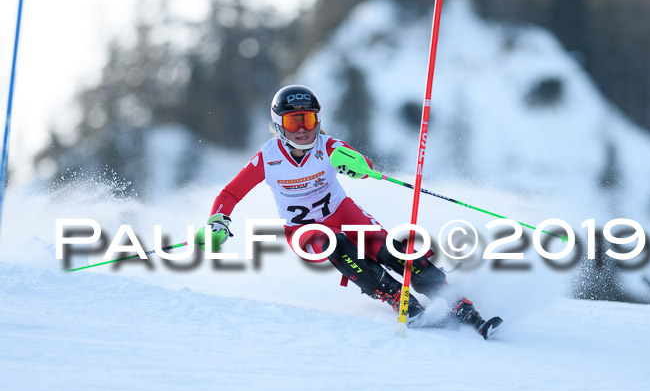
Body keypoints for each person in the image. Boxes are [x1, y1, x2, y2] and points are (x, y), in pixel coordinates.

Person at [195, 84, 502, 338]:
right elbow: (230, 193)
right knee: (335, 244)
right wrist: (219, 220)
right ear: (278, 124)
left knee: (389, 249)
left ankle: (452, 298)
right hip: (304, 231)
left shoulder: (327, 146)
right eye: (293, 121)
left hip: (343, 212)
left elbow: (359, 162)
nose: (303, 129)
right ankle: (397, 297)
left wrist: (355, 166)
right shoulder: (268, 158)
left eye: (309, 119)